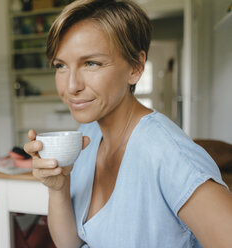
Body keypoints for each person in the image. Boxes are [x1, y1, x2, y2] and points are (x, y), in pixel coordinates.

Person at [24, 0, 232, 247]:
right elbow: (70, 243)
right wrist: (58, 187)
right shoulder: (87, 135)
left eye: (91, 63)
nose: (71, 87)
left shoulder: (170, 156)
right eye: (61, 66)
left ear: (136, 67)